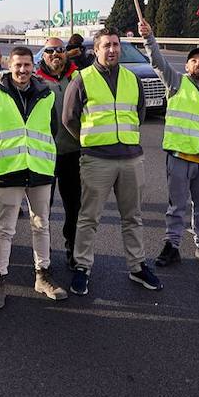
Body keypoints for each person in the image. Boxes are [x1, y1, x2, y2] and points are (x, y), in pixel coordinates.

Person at [62, 27, 161, 295]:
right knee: (89, 217)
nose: (112, 50)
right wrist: (90, 141)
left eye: (115, 45)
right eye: (106, 45)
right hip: (97, 160)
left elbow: (138, 115)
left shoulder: (132, 79)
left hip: (130, 159)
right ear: (96, 49)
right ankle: (82, 267)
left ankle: (137, 266)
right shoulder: (82, 79)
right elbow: (69, 118)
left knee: (133, 217)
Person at [0, 46, 68, 307]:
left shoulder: (46, 95)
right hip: (8, 170)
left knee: (41, 225)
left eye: (27, 65)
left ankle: (43, 275)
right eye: (18, 65)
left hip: (39, 170)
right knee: (5, 229)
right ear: (10, 65)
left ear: (33, 66)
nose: (22, 70)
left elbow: (52, 129)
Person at [138, 21, 199, 267]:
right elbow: (157, 61)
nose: (198, 64)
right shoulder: (176, 83)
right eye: (194, 61)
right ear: (187, 65)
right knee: (176, 206)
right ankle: (172, 245)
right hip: (179, 157)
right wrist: (149, 38)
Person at [34, 36, 82, 269]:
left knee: (74, 207)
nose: (56, 54)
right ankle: (42, 255)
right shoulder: (35, 81)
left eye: (60, 50)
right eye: (50, 50)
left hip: (74, 154)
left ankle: (73, 251)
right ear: (43, 55)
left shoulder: (79, 77)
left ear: (67, 53)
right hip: (44, 156)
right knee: (42, 210)